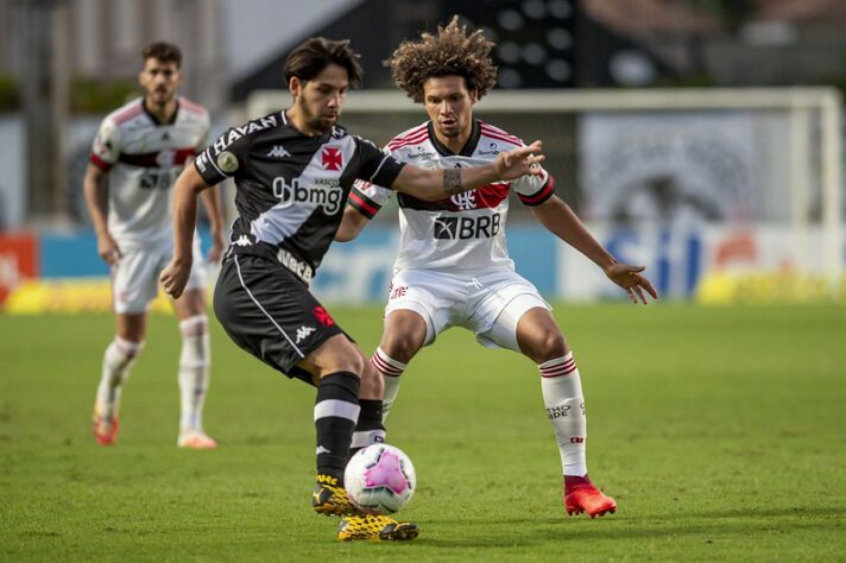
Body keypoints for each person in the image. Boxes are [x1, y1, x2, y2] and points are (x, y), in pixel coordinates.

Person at [158, 37, 544, 541]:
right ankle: (330, 483)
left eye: (341, 92)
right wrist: (184, 256)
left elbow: (425, 183)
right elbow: (188, 181)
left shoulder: (352, 151)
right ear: (296, 87)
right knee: (342, 360)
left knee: (368, 379)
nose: (334, 101)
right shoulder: (254, 137)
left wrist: (493, 170)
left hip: (289, 282)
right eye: (324, 90)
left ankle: (361, 516)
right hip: (252, 275)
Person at [334, 18, 658, 519]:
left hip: (491, 280)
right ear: (422, 101)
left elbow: (549, 205)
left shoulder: (508, 151)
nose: (445, 109)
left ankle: (578, 483)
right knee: (396, 343)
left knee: (551, 342)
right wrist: (313, 222)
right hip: (425, 280)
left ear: (475, 95)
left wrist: (608, 263)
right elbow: (352, 222)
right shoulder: (398, 153)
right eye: (435, 100)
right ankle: (359, 467)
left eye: (455, 99)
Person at [85, 42, 225, 450]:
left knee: (197, 325)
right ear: (143, 78)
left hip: (175, 235)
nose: (161, 79)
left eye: (168, 72)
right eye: (154, 72)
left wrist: (216, 229)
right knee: (129, 344)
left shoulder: (196, 120)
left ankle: (190, 427)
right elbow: (93, 179)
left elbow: (204, 177)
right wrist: (101, 232)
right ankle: (106, 400)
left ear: (178, 77)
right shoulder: (118, 125)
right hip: (129, 241)